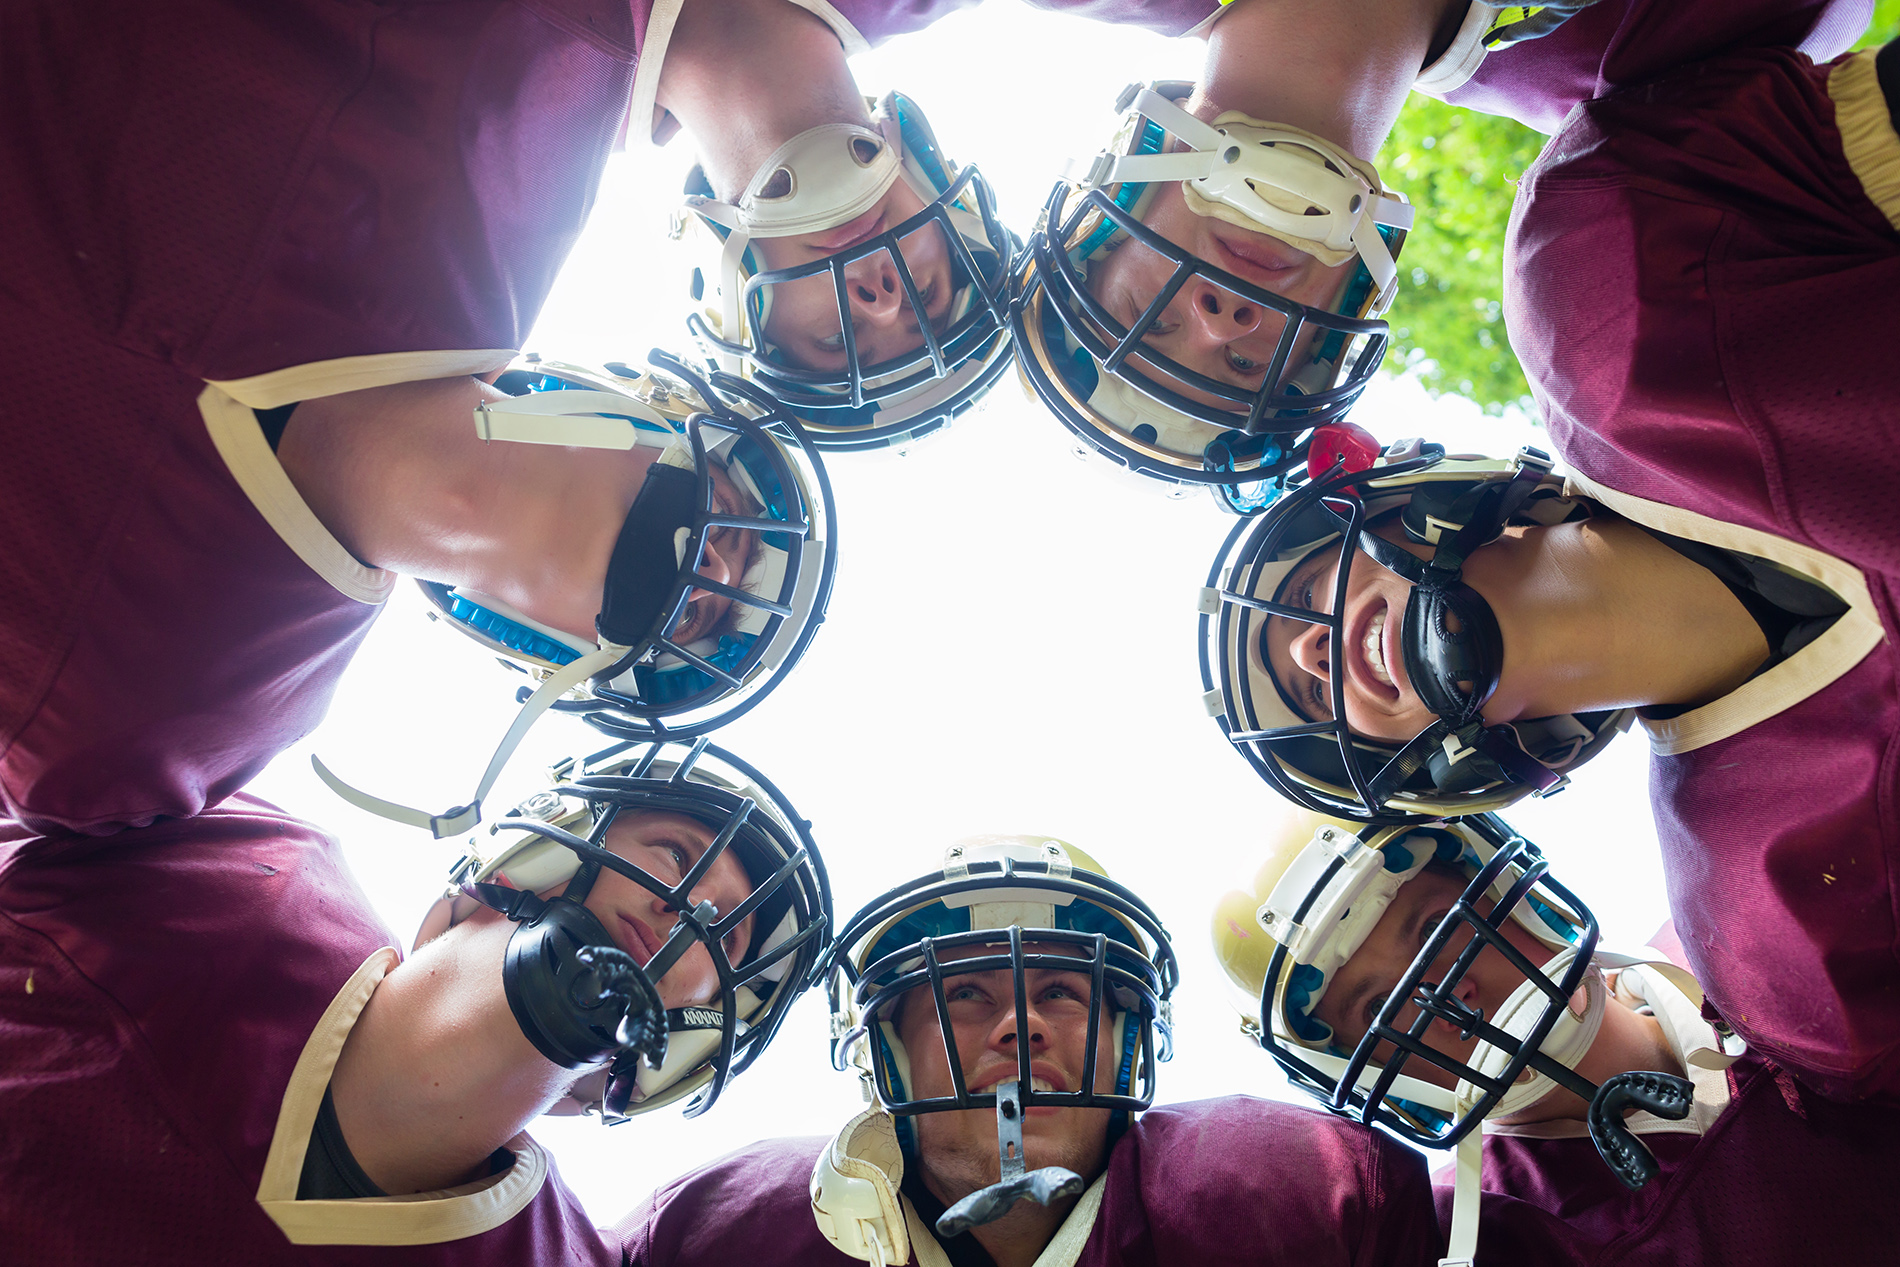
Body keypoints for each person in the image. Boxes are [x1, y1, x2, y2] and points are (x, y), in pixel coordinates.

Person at [1199, 434, 1898, 1099]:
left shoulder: (1627, 362)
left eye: (1301, 602)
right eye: (1312, 698)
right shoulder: (1762, 919)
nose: (1307, 656)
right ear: (1438, 773)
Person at [1009, 0, 1870, 507]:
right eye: (1241, 367)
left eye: (1140, 318)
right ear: (1341, 318)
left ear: (1105, 214)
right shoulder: (1658, 70)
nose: (1216, 323)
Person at [0, 736, 829, 1261]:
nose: (682, 908)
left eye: (726, 936)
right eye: (674, 852)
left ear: (696, 1031)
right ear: (544, 832)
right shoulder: (223, 853)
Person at [620, 834, 1447, 1267]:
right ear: (885, 1053)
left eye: (1060, 991)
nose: (1022, 1026)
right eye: (967, 993)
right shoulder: (721, 1232)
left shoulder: (1299, 1192)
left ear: (1128, 1047)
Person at [1213, 810, 1900, 1266]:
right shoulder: (1480, 1239)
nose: (1443, 996)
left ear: (1505, 884)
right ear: (1360, 1070)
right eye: (1377, 1006)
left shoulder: (1755, 946)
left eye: (1431, 928)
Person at [653, 0, 1230, 452]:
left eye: (837, 340)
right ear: (949, 209)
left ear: (732, 311)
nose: (881, 301)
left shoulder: (564, 129)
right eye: (924, 296)